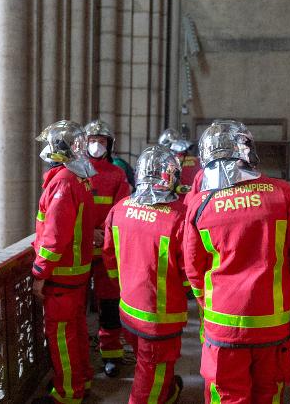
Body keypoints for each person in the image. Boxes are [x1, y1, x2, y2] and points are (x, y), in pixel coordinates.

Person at [183, 121, 290, 404]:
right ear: (247, 150)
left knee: (226, 396)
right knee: (269, 394)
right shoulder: (282, 194)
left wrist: (207, 304)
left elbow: (193, 268)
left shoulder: (199, 204)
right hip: (273, 326)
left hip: (223, 328)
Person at [101, 146, 187, 404]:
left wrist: (125, 284)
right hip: (161, 317)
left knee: (148, 365)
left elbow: (109, 257)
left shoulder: (120, 209)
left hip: (128, 310)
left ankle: (169, 392)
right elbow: (189, 269)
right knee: (149, 378)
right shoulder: (178, 216)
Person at [32, 120, 97, 404]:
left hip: (62, 274)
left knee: (62, 337)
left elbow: (55, 235)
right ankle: (83, 379)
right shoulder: (79, 177)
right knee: (77, 330)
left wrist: (40, 271)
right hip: (77, 271)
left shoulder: (63, 181)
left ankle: (68, 393)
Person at [83, 119, 131, 377]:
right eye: (92, 141)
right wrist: (88, 232)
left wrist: (103, 235)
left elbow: (122, 211)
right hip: (79, 249)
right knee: (78, 307)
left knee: (110, 304)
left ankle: (111, 353)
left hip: (106, 250)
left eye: (101, 142)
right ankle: (82, 357)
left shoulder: (117, 174)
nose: (97, 146)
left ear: (109, 146)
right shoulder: (76, 173)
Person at [158, 128, 201, 200]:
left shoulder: (169, 163)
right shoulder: (197, 160)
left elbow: (164, 186)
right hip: (196, 198)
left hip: (177, 200)